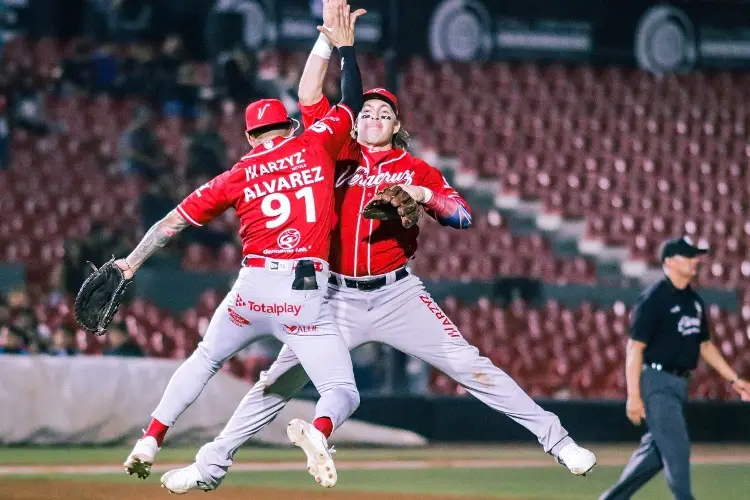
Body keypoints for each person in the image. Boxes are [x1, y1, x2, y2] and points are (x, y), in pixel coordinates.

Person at [162, 0, 596, 490]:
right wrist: (333, 43)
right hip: (332, 296)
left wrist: (422, 195)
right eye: (364, 110)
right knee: (277, 383)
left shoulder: (415, 169)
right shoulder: (332, 151)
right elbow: (309, 92)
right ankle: (210, 465)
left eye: (382, 113)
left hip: (397, 295)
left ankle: (559, 442)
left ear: (396, 126)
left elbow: (463, 216)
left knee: (472, 366)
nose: (370, 116)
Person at [121, 4, 366, 492]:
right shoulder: (313, 144)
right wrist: (340, 47)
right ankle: (319, 431)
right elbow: (350, 101)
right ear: (288, 127)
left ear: (251, 136)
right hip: (304, 293)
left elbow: (171, 224)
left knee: (205, 358)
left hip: (252, 289)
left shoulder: (236, 173)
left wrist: (131, 262)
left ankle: (151, 436)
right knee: (341, 391)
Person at [600, 236, 750, 500]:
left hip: (679, 384)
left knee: (655, 454)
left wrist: (733, 379)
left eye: (695, 256)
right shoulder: (654, 299)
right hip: (657, 382)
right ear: (669, 261)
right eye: (688, 255)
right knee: (678, 450)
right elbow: (634, 348)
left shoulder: (694, 301)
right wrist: (633, 396)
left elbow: (705, 346)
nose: (695, 260)